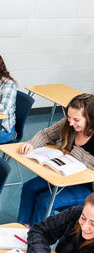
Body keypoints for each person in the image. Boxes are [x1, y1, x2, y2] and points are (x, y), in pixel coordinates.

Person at [17, 93, 94, 226]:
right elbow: (46, 134)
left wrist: (78, 153)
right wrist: (32, 144)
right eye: (69, 117)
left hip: (87, 188)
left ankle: (37, 238)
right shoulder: (69, 123)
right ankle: (23, 227)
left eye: (76, 119)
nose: (70, 122)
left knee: (45, 201)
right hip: (65, 176)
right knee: (29, 187)